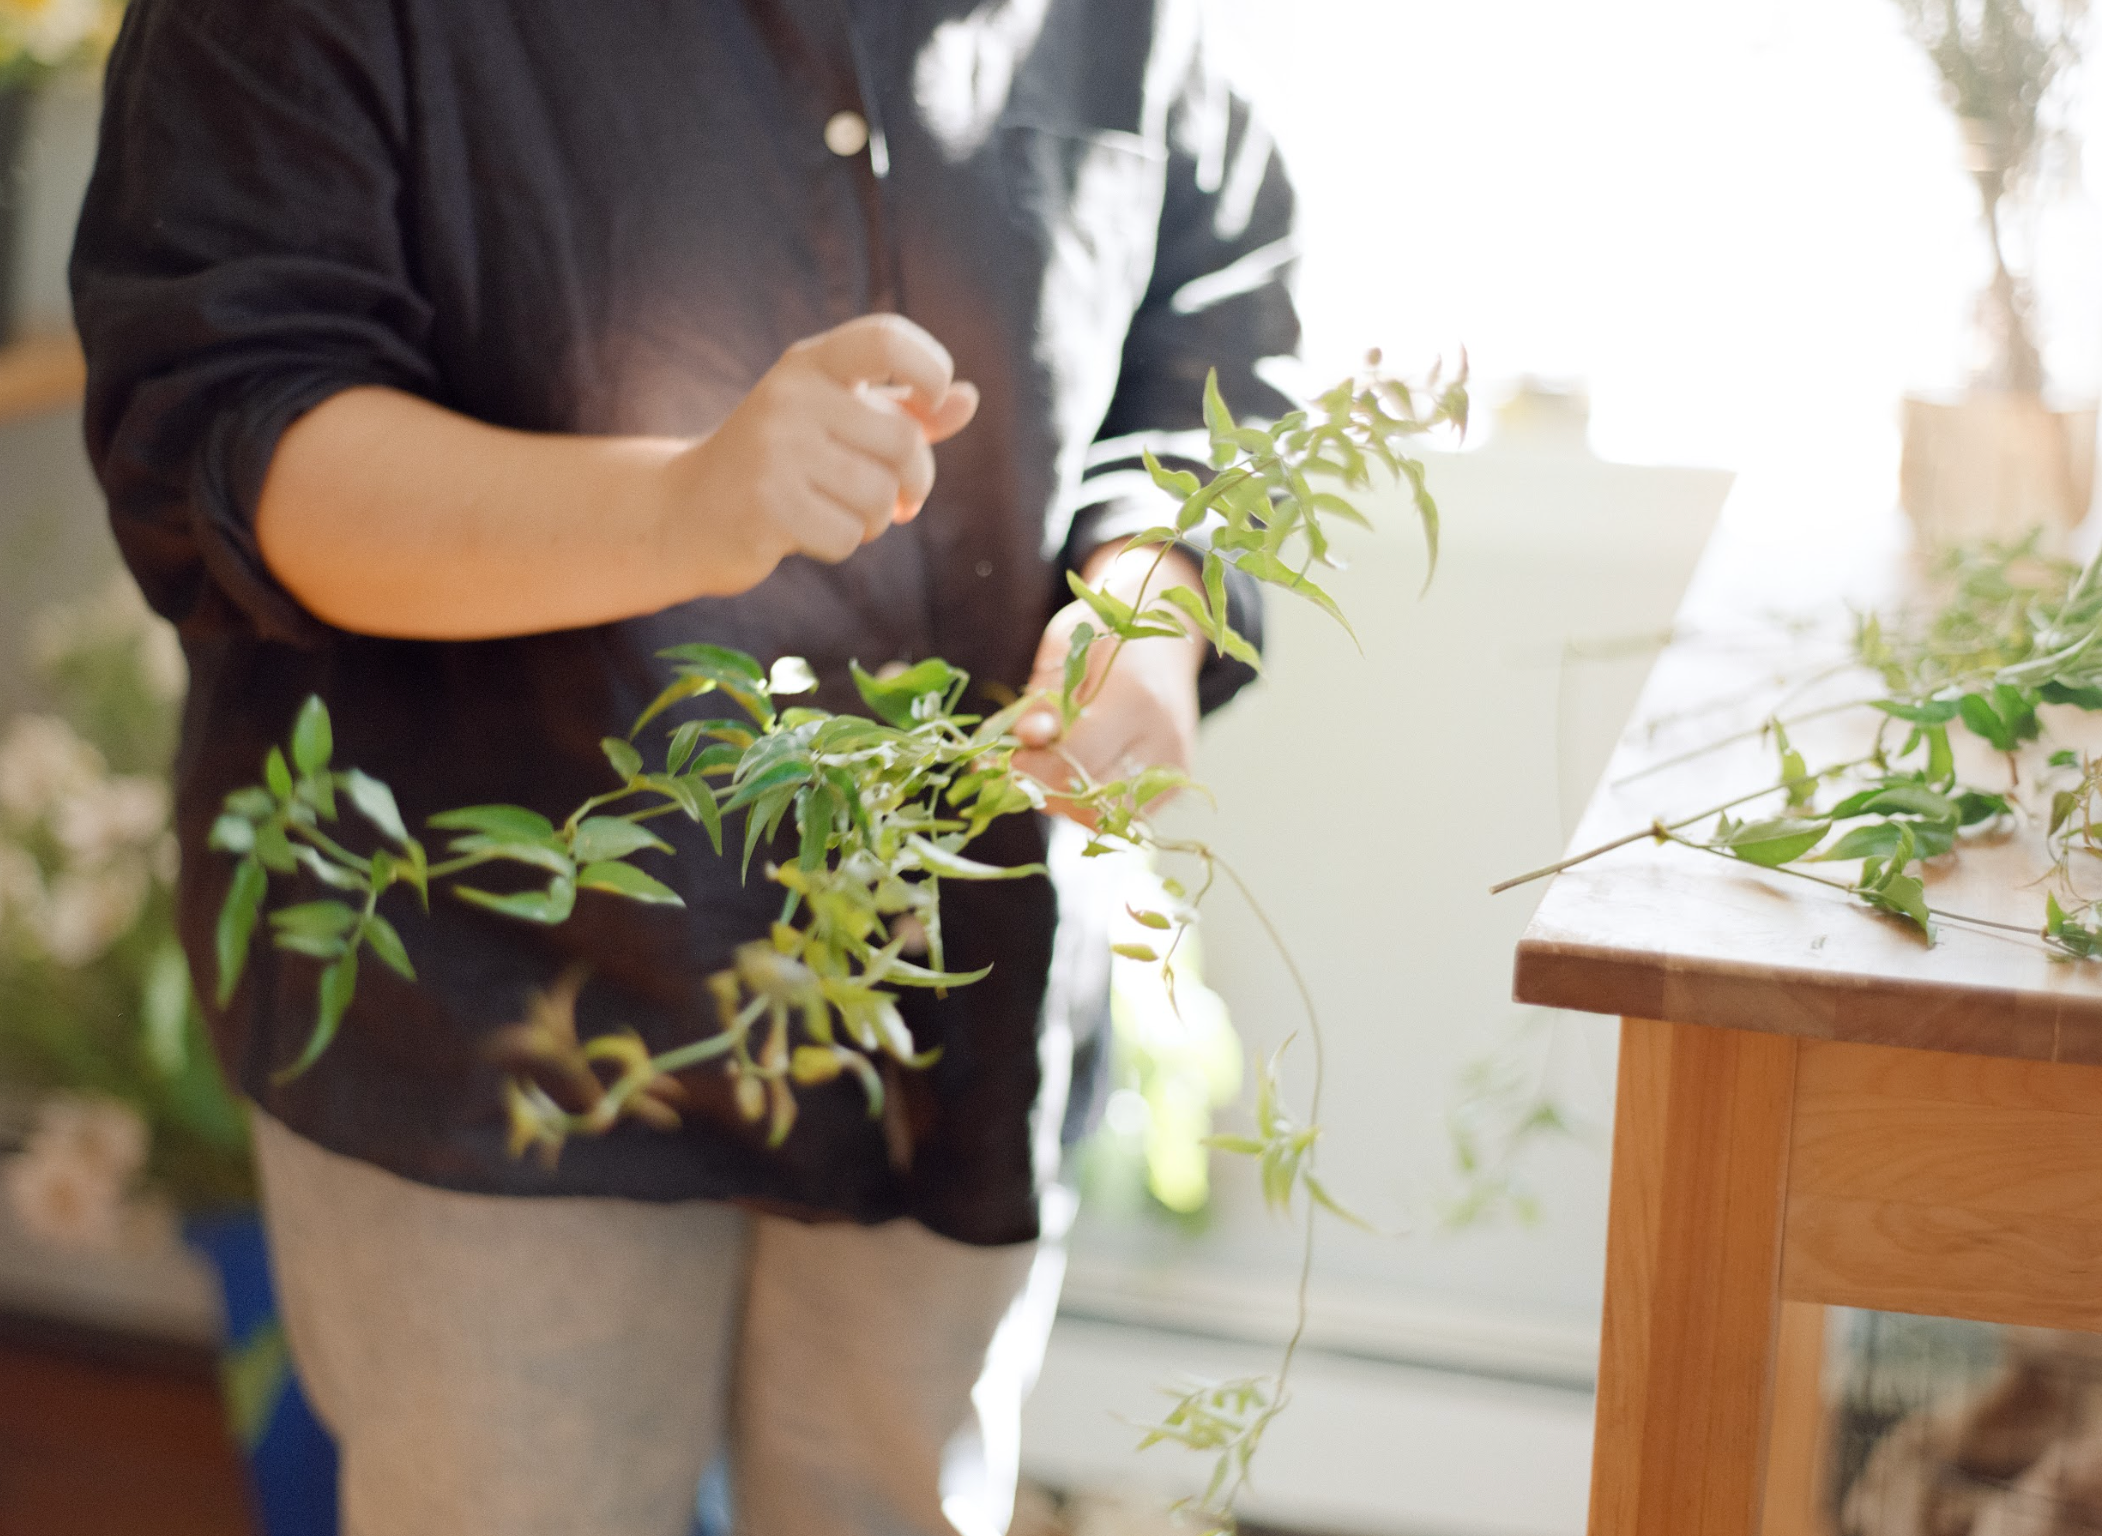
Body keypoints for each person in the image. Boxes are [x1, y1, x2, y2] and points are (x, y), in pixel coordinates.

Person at [70, 2, 1298, 1532]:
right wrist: (679, 511)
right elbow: (228, 427)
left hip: (940, 987)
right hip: (480, 990)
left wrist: (1146, 615)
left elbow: (1206, 345)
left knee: (888, 1499)